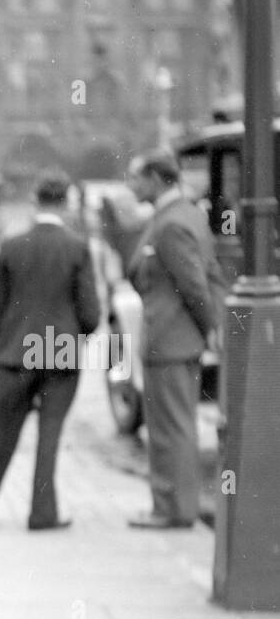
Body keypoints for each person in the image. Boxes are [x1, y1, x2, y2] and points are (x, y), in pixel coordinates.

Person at [0, 170, 101, 530]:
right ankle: (43, 513)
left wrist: (6, 341)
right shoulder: (77, 247)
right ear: (68, 203)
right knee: (50, 434)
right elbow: (91, 313)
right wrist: (76, 338)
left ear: (34, 202)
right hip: (60, 351)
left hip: (16, 352)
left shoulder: (11, 246)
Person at [124, 150, 225, 529]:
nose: (131, 185)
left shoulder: (170, 224)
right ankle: (172, 505)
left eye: (136, 177)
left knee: (170, 428)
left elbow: (195, 285)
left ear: (154, 178)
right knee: (174, 425)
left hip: (170, 339)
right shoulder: (184, 215)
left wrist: (209, 327)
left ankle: (172, 509)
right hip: (175, 339)